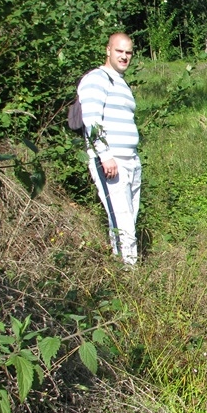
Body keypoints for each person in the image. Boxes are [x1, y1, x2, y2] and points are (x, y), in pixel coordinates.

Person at [78, 33, 141, 265]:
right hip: (112, 161)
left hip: (131, 159)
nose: (124, 56)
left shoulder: (121, 82)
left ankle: (121, 265)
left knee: (128, 219)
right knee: (122, 222)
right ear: (108, 51)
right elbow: (91, 120)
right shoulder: (97, 78)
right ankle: (129, 276)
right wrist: (105, 155)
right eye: (119, 51)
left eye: (128, 52)